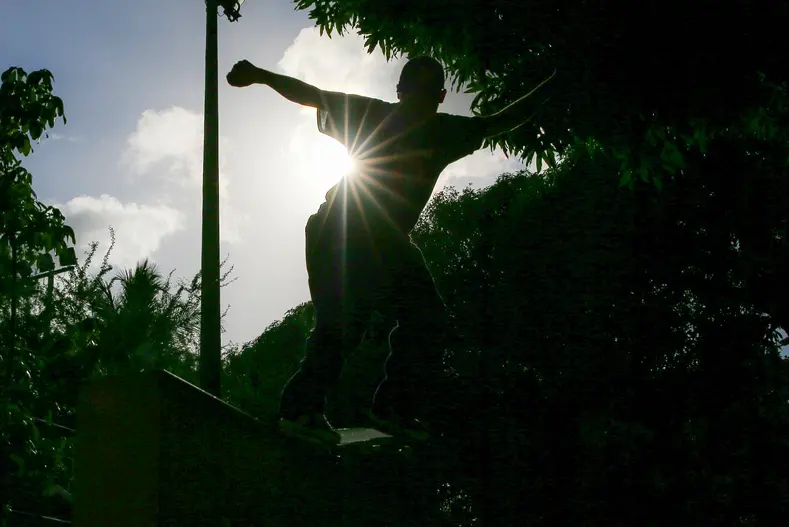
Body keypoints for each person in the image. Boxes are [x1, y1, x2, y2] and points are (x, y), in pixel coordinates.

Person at [227, 55, 551, 444]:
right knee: (351, 324)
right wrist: (260, 75)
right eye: (416, 94)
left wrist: (555, 81)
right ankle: (310, 408)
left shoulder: (425, 126)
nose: (419, 104)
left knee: (407, 320)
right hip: (342, 227)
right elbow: (311, 95)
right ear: (405, 93)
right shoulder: (398, 119)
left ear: (437, 97)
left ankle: (380, 407)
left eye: (425, 96)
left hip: (373, 237)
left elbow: (504, 120)